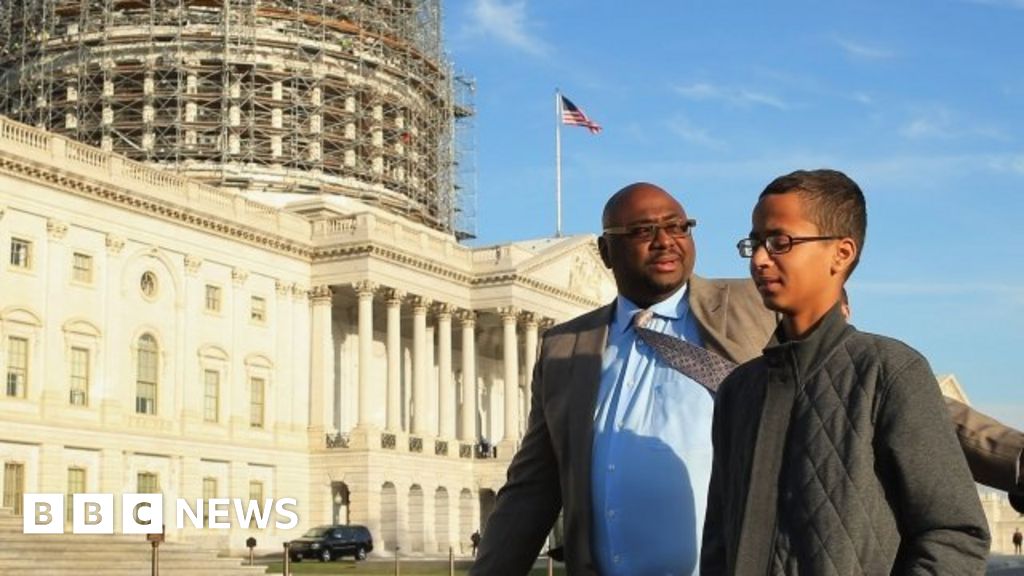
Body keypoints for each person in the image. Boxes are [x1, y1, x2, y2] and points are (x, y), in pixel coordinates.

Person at [472, 181, 1021, 576]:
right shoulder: (566, 347)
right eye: (643, 231)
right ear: (605, 252)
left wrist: (1016, 459)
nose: (666, 240)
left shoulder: (750, 303)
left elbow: (874, 397)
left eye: (678, 227)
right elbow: (533, 488)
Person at [701, 169, 990, 574]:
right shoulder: (739, 390)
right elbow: (718, 540)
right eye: (755, 243)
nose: (761, 259)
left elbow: (955, 534)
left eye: (780, 242)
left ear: (842, 252)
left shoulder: (888, 371)